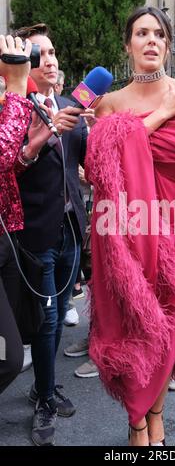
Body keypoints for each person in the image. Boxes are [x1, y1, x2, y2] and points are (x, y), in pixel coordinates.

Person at [85, 6, 175, 447]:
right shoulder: (110, 102)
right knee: (133, 327)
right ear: (128, 45)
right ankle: (139, 423)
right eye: (142, 33)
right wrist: (153, 118)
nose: (151, 40)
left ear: (169, 45)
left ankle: (154, 411)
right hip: (124, 232)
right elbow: (101, 169)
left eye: (159, 33)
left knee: (169, 331)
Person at [13, 23, 88, 446]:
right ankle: (43, 396)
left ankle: (43, 383)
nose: (53, 60)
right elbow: (15, 164)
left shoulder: (69, 105)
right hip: (36, 233)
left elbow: (81, 165)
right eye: (41, 55)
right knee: (45, 322)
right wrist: (48, 131)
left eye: (55, 52)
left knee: (58, 317)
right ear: (26, 65)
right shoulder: (13, 109)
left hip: (71, 231)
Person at [0, 34, 33, 394]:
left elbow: (6, 165)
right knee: (8, 357)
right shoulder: (13, 95)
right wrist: (18, 85)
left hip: (7, 236)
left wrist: (30, 150)